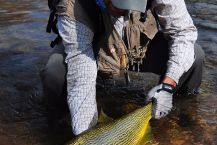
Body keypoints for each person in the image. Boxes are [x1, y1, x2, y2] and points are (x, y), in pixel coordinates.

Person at [41, 0, 204, 136]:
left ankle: (177, 116)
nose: (124, 8)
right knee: (55, 71)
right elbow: (81, 79)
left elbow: (183, 34)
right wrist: (86, 138)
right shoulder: (73, 5)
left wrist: (168, 84)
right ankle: (60, 127)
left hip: (139, 49)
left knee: (195, 56)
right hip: (93, 53)